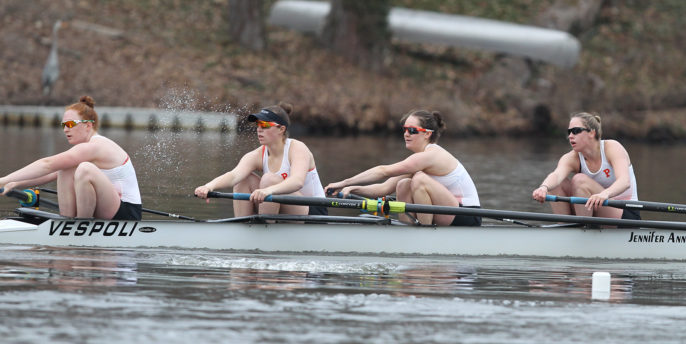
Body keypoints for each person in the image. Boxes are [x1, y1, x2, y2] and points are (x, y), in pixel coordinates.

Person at [0, 95, 143, 220]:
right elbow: (49, 173)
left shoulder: (96, 146)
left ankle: (81, 225)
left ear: (88, 125)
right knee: (65, 168)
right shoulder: (83, 151)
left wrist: (4, 179)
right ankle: (67, 221)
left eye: (70, 124)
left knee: (84, 169)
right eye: (63, 125)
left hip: (127, 212)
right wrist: (13, 184)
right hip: (108, 208)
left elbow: (47, 164)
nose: (65, 130)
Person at [324, 109, 482, 226]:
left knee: (419, 179)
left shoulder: (431, 155)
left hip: (467, 214)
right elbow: (383, 188)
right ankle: (409, 232)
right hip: (448, 212)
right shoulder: (418, 160)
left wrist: (343, 182)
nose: (406, 134)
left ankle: (425, 236)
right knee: (403, 184)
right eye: (405, 129)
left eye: (412, 130)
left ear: (427, 134)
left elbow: (383, 171)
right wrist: (351, 188)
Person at [193, 102, 327, 217]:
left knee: (269, 179)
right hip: (283, 208)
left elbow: (297, 182)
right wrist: (209, 186)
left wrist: (268, 191)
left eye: (264, 125)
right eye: (257, 125)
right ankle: (243, 229)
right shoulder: (257, 155)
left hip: (312, 209)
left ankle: (266, 229)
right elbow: (233, 175)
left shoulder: (297, 148)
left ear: (281, 129)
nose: (259, 130)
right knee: (243, 179)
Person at [531, 112, 640, 220]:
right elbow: (557, 175)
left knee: (579, 180)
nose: (570, 136)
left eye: (575, 131)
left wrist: (604, 194)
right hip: (594, 208)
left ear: (592, 133)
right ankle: (566, 229)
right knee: (555, 185)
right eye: (569, 132)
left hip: (625, 213)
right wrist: (543, 187)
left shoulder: (612, 148)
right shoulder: (571, 158)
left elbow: (624, 182)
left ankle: (584, 228)